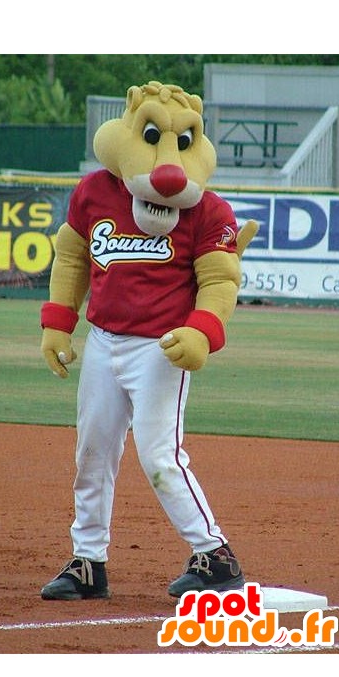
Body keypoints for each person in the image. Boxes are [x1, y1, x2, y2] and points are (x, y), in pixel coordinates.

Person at [38, 81, 257, 600]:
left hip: (161, 347)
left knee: (160, 456)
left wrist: (203, 330)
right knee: (92, 452)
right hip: (102, 340)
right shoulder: (93, 192)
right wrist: (58, 321)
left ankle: (215, 556)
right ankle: (88, 562)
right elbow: (72, 258)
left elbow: (219, 281)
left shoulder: (206, 210)